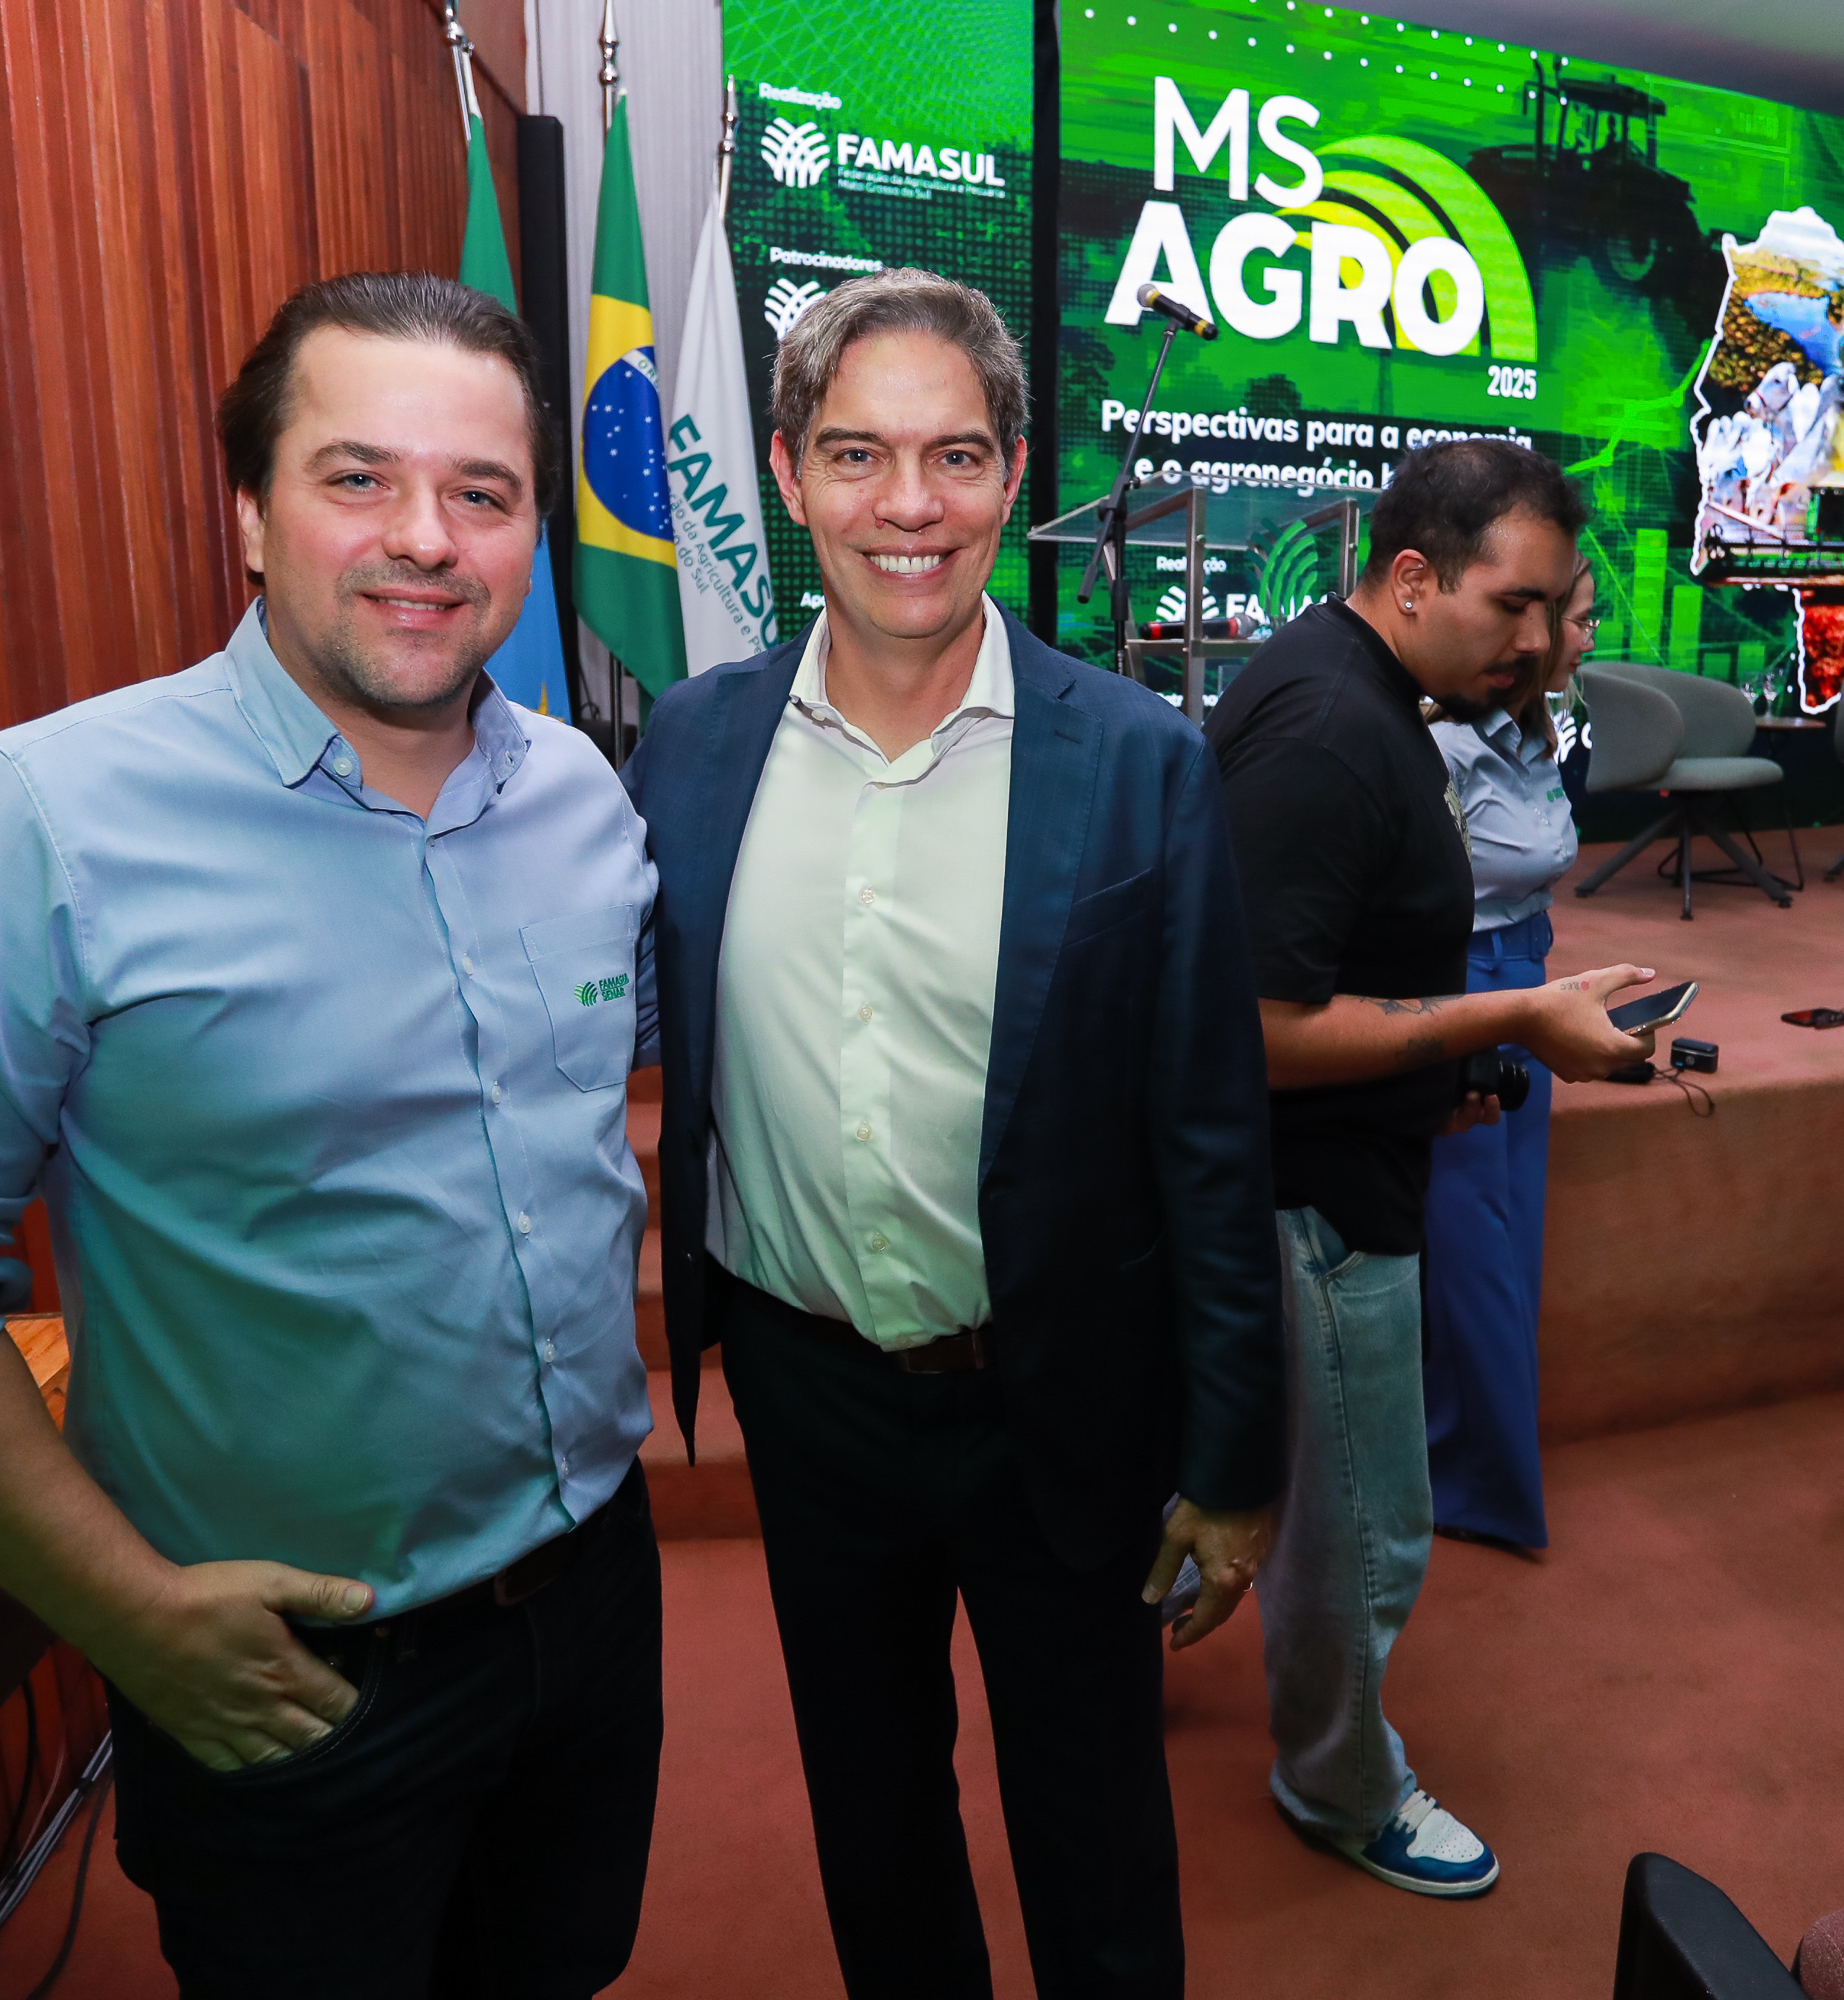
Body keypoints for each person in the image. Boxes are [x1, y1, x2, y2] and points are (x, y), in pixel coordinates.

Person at [0, 275, 666, 1998]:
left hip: (594, 1603)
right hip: (297, 1673)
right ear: (247, 512)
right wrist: (122, 1610)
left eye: (481, 492)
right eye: (357, 477)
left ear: (535, 532)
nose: (426, 538)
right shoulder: (42, 816)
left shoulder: (586, 804)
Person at [624, 269, 1280, 1999]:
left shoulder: (1139, 762)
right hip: (808, 1395)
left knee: (1098, 1832)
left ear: (1012, 475)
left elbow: (1213, 1139)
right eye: (857, 454)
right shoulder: (690, 748)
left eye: (955, 456)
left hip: (1059, 1398)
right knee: (874, 1813)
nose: (907, 505)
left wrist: (1234, 1465)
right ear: (787, 473)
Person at [1207, 441, 1659, 1898]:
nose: (1539, 638)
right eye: (1513, 605)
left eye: (1553, 607)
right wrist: (1513, 1017)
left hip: (1331, 1168)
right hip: (1319, 1205)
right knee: (1365, 1530)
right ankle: (1340, 1786)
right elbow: (1261, 1030)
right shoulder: (1336, 730)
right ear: (1412, 577)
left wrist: (1440, 1076)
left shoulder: (1356, 684)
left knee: (1257, 1486)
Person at [1419, 556, 1596, 1552]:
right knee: (1473, 1252)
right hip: (1466, 991)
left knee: (1505, 1241)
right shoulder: (1437, 742)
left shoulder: (1535, 732)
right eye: (1577, 619)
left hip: (1527, 981)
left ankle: (1477, 1462)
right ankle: (1465, 1476)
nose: (1584, 638)